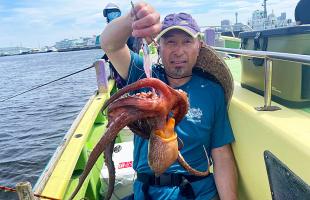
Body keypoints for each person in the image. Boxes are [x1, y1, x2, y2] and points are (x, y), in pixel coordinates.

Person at [101, 2, 238, 200]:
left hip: (198, 192)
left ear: (199, 45)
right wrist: (133, 16)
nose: (178, 51)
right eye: (171, 42)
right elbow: (110, 45)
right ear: (159, 46)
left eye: (186, 41)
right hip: (148, 192)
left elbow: (221, 153)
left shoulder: (212, 91)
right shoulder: (144, 76)